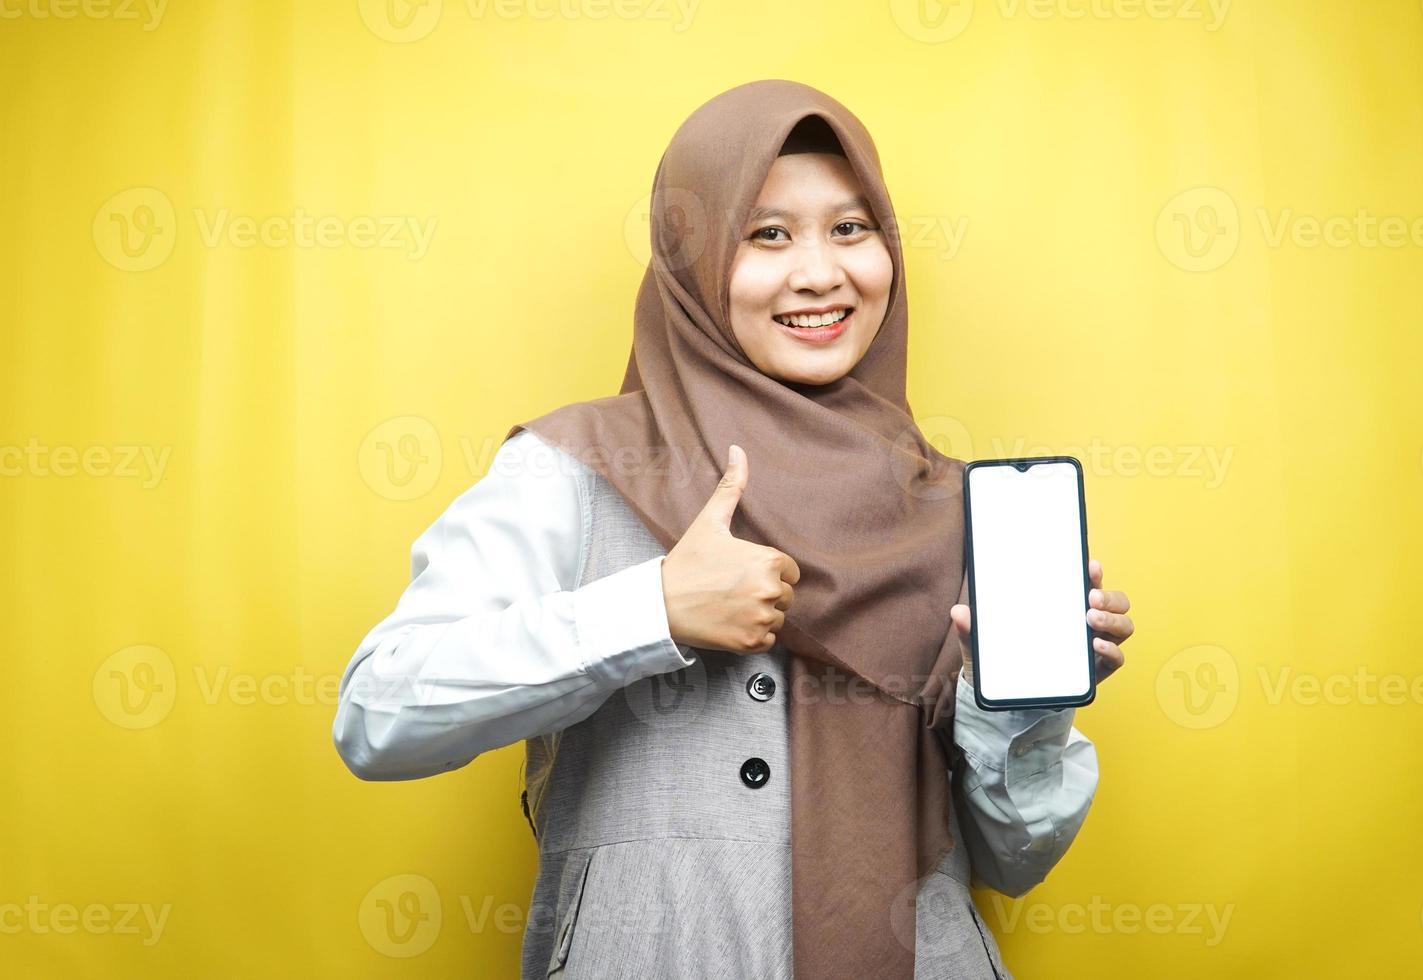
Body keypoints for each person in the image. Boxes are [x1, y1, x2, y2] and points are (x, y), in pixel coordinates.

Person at [332, 78, 1133, 980]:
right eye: (767, 234)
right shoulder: (577, 465)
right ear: (695, 253)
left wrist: (1020, 704)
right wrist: (654, 612)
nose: (822, 273)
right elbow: (379, 716)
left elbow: (1012, 859)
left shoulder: (949, 506)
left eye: (851, 228)